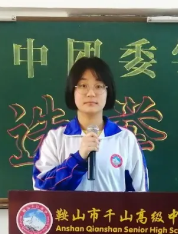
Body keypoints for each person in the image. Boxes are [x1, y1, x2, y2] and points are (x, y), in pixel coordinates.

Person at [32, 57, 149, 192]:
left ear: (108, 92)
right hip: (70, 208)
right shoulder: (56, 139)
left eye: (98, 86)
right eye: (83, 86)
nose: (91, 93)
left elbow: (140, 194)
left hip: (111, 207)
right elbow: (42, 188)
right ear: (72, 91)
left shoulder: (125, 139)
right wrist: (78, 159)